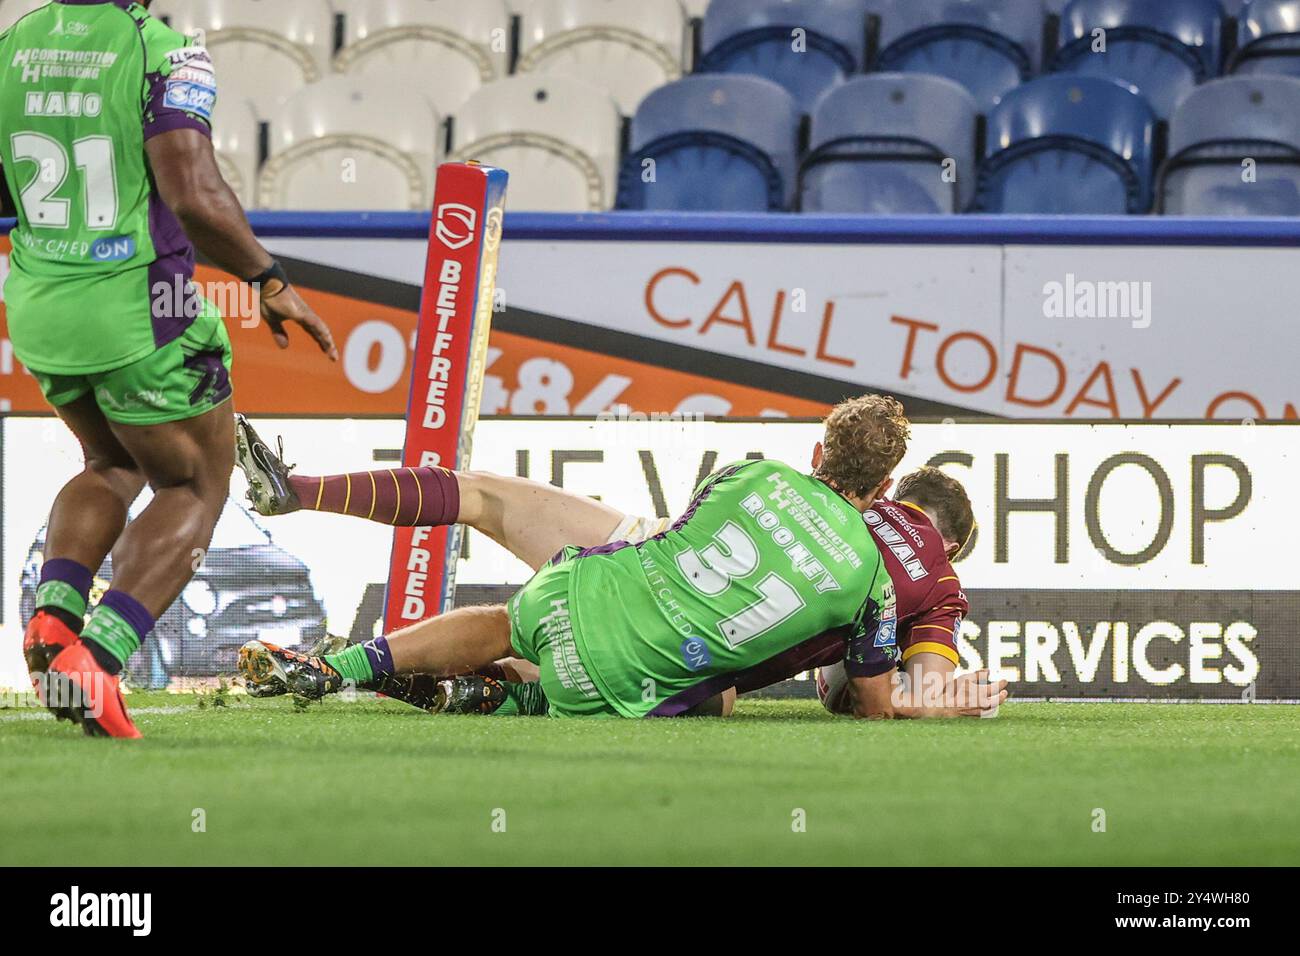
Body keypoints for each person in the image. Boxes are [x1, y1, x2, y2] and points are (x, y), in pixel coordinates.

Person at [236, 396, 1006, 719]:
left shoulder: (754, 471)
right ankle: (481, 694)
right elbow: (906, 693)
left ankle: (297, 490)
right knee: (678, 686)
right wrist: (953, 693)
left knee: (483, 500)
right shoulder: (922, 588)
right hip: (703, 655)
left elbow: (682, 531)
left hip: (647, 549)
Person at [1, 0, 336, 737]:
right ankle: (100, 656)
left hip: (39, 305)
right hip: (136, 309)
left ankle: (55, 619)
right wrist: (269, 281)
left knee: (110, 462)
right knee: (193, 482)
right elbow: (194, 195)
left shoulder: (14, 43)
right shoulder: (163, 51)